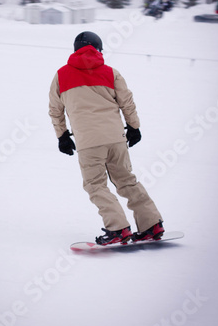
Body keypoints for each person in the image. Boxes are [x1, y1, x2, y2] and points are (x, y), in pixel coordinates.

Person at [48, 31, 164, 246]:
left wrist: (62, 136)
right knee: (126, 180)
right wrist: (134, 127)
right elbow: (127, 102)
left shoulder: (61, 75)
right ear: (98, 49)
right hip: (116, 140)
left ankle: (118, 228)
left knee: (96, 185)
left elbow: (55, 110)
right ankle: (151, 224)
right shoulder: (111, 73)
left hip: (89, 142)